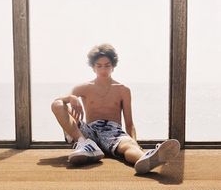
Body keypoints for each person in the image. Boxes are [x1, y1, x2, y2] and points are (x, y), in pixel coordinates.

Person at [51, 43, 180, 174]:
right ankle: (84, 145)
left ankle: (144, 159)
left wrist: (134, 143)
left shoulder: (123, 90)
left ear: (113, 66)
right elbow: (58, 103)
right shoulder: (82, 88)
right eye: (99, 66)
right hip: (89, 132)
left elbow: (129, 123)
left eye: (107, 65)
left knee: (129, 146)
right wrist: (70, 98)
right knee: (57, 104)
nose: (103, 70)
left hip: (113, 132)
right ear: (93, 67)